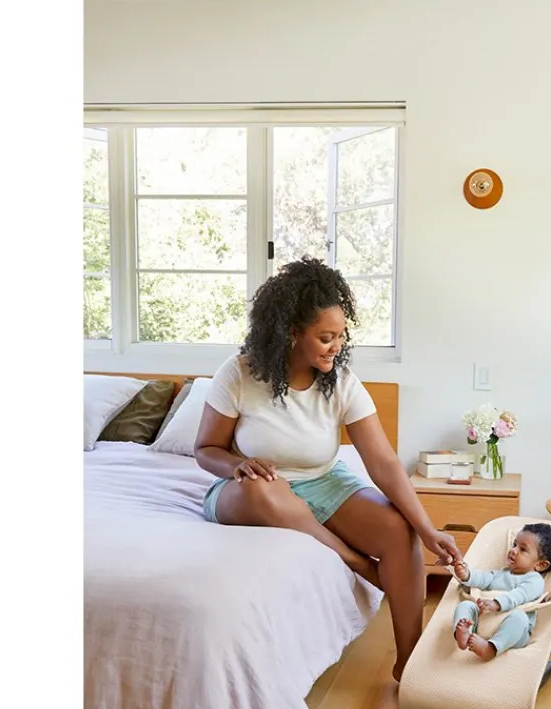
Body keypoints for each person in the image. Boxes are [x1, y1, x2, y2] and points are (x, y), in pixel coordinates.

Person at [193, 257, 462, 681]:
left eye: (340, 336)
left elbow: (383, 462)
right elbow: (205, 449)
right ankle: (356, 562)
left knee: (399, 529)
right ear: (291, 332)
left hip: (322, 481)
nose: (336, 346)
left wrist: (427, 529)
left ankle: (410, 663)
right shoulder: (239, 372)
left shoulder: (341, 382)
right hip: (249, 490)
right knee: (263, 489)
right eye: (325, 337)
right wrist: (239, 464)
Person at [450, 523, 551, 661]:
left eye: (523, 549)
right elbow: (483, 578)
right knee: (465, 606)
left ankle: (491, 649)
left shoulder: (535, 580)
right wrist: (466, 575)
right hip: (483, 620)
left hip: (514, 633)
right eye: (514, 545)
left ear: (540, 565)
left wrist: (497, 603)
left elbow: (519, 595)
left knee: (519, 618)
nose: (513, 550)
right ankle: (464, 634)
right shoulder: (501, 573)